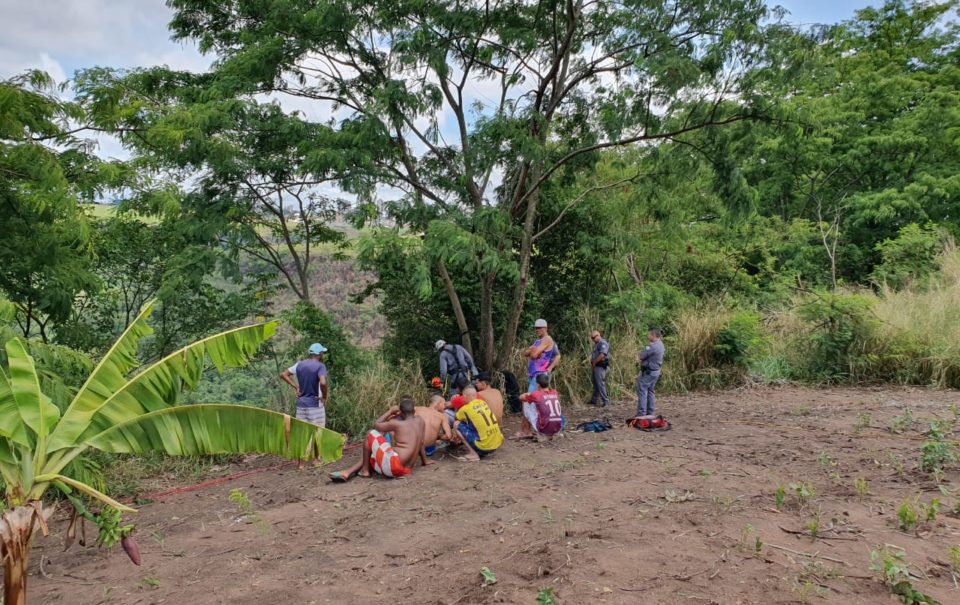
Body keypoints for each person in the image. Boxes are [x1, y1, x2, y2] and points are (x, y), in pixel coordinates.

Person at [329, 397, 433, 482]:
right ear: (414, 410)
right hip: (408, 470)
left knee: (370, 433)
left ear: (401, 412)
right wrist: (425, 461)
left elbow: (376, 424)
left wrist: (390, 411)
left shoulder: (396, 424)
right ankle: (348, 472)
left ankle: (365, 471)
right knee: (372, 455)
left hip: (394, 467)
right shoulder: (420, 421)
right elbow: (421, 443)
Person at [280, 343, 329, 427]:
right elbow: (323, 383)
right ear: (320, 354)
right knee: (318, 434)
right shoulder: (321, 366)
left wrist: (296, 387)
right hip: (315, 405)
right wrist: (324, 397)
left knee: (302, 435)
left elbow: (283, 374)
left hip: (301, 405)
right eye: (322, 353)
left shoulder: (299, 364)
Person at [452, 387, 503, 461]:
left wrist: (456, 408)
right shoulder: (483, 402)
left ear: (465, 396)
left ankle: (473, 454)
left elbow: (456, 418)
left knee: (456, 424)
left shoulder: (465, 409)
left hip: (484, 448)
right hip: (497, 444)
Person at [515, 373, 563, 440]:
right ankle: (552, 431)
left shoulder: (536, 394)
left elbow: (520, 397)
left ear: (538, 384)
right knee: (540, 405)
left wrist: (529, 394)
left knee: (525, 402)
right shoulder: (555, 392)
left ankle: (527, 431)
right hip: (558, 429)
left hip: (544, 430)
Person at [636, 327, 665, 417]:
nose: (648, 336)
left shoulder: (653, 346)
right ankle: (650, 413)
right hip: (655, 372)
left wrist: (639, 356)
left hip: (649, 372)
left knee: (642, 390)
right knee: (650, 391)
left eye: (649, 334)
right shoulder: (661, 344)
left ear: (653, 335)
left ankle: (641, 414)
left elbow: (641, 356)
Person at [525, 319, 559, 393]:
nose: (537, 330)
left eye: (540, 328)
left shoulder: (548, 339)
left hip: (541, 373)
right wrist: (534, 351)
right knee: (536, 398)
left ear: (545, 328)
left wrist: (550, 368)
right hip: (533, 374)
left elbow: (558, 356)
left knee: (533, 397)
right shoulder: (537, 341)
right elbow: (525, 353)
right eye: (536, 328)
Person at [589, 330, 610, 407]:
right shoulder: (597, 344)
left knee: (600, 384)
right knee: (595, 384)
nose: (593, 339)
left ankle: (606, 401)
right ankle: (594, 400)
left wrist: (594, 362)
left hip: (600, 366)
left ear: (598, 335)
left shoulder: (603, 343)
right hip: (596, 366)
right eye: (592, 338)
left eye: (594, 337)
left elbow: (602, 355)